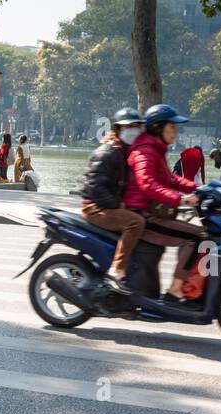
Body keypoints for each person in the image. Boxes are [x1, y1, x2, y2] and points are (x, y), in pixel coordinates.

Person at [123, 103, 203, 302]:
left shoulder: (156, 149)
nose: (175, 132)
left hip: (154, 212)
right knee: (195, 237)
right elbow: (148, 184)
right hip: (145, 216)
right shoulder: (146, 151)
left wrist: (197, 189)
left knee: (196, 234)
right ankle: (175, 290)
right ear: (158, 127)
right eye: (172, 127)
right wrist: (180, 198)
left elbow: (170, 179)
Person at [79, 108, 146, 296]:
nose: (132, 130)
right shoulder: (106, 152)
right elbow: (95, 187)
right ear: (117, 130)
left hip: (107, 204)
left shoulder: (124, 152)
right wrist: (118, 204)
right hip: (95, 207)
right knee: (135, 222)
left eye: (136, 126)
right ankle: (117, 270)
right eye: (128, 127)